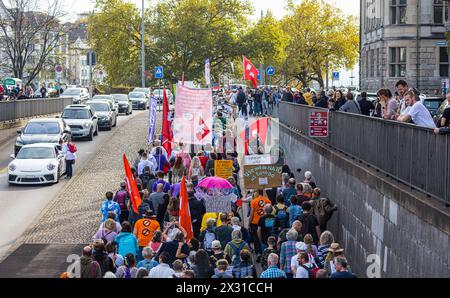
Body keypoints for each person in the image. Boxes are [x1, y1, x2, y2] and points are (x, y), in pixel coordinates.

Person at [249, 189, 271, 258]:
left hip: (255, 222)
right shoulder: (267, 200)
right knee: (267, 235)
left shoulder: (253, 201)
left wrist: (249, 223)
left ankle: (258, 252)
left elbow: (252, 213)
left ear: (258, 193)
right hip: (266, 221)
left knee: (256, 238)